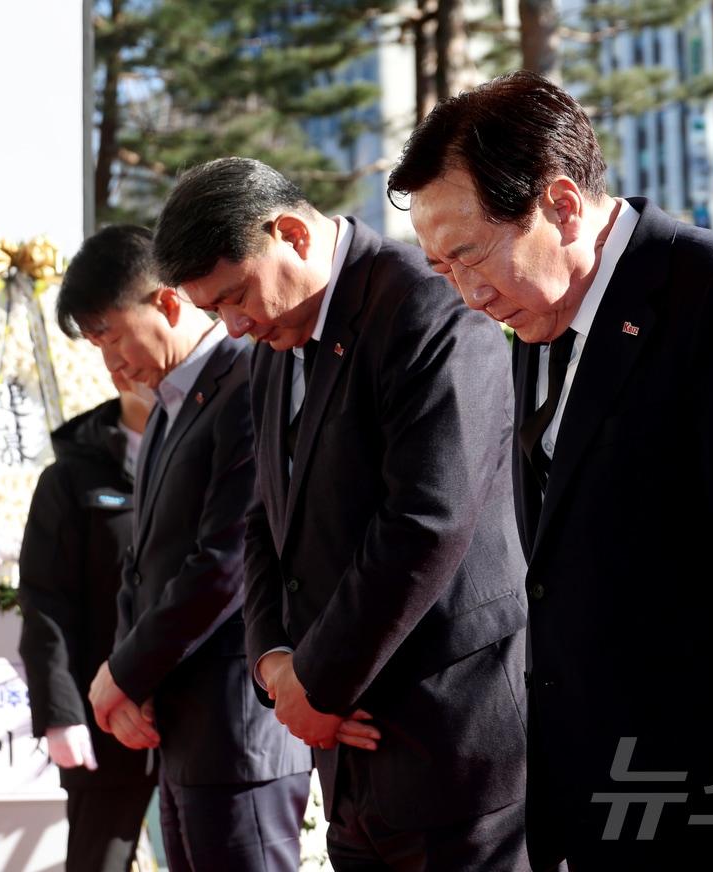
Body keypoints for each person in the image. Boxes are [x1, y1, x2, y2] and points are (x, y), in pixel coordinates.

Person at [390, 71, 713, 871]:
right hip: (624, 782)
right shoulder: (542, 318)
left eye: (469, 255)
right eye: (441, 269)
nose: (467, 293)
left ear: (561, 205)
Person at [155, 157, 533, 871]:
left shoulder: (427, 304)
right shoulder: (273, 343)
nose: (234, 328)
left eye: (236, 297)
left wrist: (321, 681)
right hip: (348, 754)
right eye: (213, 313)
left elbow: (426, 518)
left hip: (454, 742)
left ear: (291, 233)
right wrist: (275, 664)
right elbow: (264, 515)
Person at [58, 224, 312, 872]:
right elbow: (140, 564)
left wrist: (125, 673)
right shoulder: (168, 405)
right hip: (181, 735)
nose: (111, 365)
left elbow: (224, 562)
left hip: (237, 732)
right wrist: (129, 674)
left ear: (167, 304)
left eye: (112, 336)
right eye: (96, 346)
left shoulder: (247, 382)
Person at [17, 376, 158, 872]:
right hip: (106, 714)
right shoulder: (70, 479)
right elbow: (44, 602)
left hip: (203, 715)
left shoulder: (221, 448)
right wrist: (61, 710)